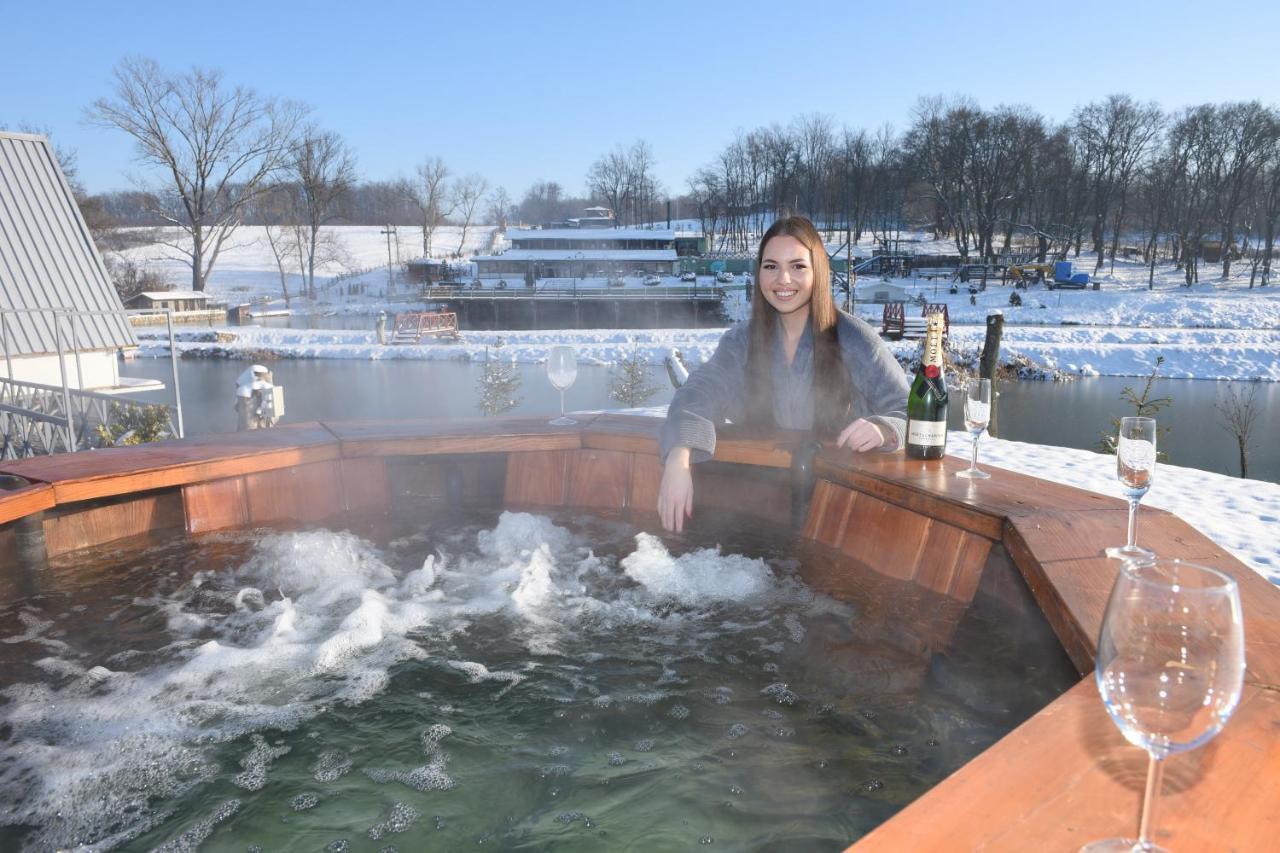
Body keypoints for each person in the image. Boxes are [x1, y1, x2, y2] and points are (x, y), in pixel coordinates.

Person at [658, 216, 909, 532]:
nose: (783, 278)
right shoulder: (742, 342)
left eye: (798, 266)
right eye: (771, 266)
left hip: (839, 510)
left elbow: (911, 411)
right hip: (759, 502)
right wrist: (678, 458)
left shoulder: (854, 339)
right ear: (759, 272)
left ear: (818, 271)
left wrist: (884, 429)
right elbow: (696, 395)